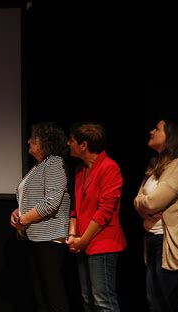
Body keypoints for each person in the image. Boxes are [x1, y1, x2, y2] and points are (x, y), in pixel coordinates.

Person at [134, 119, 178, 311]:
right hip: (155, 239)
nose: (151, 131)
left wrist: (148, 204)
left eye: (157, 129)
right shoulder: (156, 167)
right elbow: (138, 201)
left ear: (172, 138)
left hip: (174, 241)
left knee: (170, 301)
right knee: (158, 300)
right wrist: (146, 204)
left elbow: (152, 202)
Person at [9, 122, 71, 312]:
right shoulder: (38, 167)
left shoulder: (54, 163)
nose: (29, 141)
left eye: (33, 139)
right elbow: (30, 199)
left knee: (53, 296)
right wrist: (17, 212)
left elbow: (51, 202)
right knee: (41, 296)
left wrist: (24, 220)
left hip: (49, 238)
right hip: (35, 237)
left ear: (45, 143)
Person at [66, 122, 126, 312]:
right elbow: (75, 207)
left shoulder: (109, 167)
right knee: (88, 300)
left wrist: (83, 240)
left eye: (72, 140)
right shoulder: (80, 170)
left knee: (103, 301)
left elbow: (104, 211)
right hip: (83, 242)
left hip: (102, 242)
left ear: (83, 145)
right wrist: (73, 235)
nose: (69, 144)